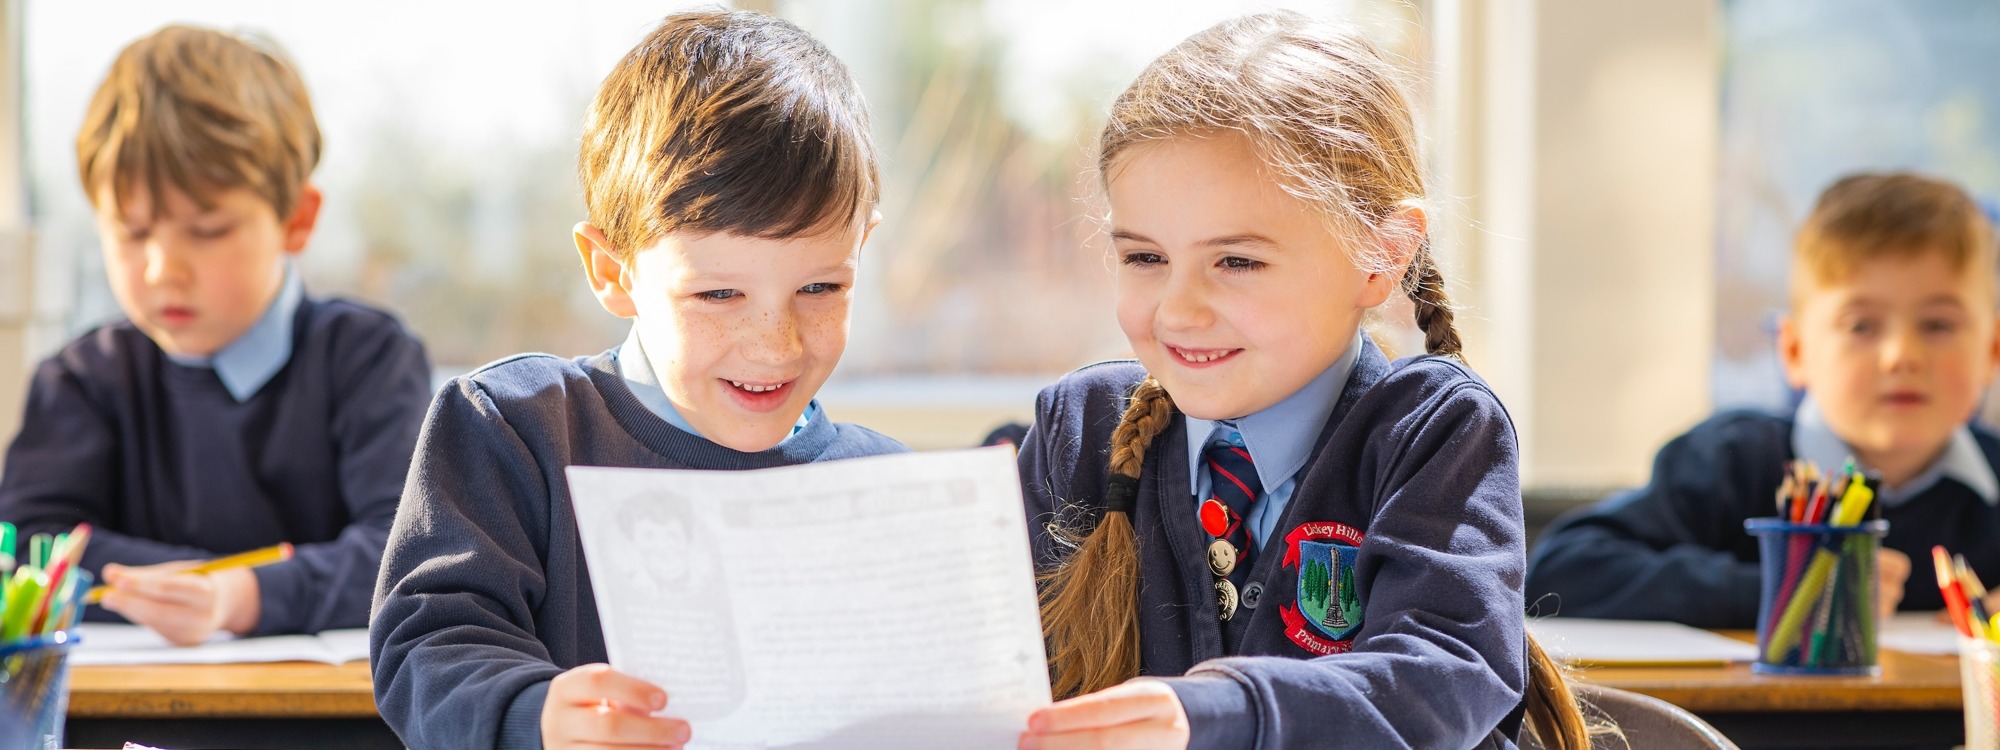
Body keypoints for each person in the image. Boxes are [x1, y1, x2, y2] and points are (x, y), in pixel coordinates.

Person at [1015, 12, 1588, 749]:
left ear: (1380, 257)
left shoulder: (1434, 431)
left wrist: (1218, 714)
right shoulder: (1079, 428)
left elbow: (1444, 678)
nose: (1179, 311)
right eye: (1145, 258)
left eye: (1237, 262)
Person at [368, 11, 904, 750]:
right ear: (612, 271)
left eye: (821, 289)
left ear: (861, 250)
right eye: (718, 295)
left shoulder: (888, 485)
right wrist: (536, 714)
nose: (775, 343)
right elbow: (428, 648)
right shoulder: (515, 427)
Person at [0, 24, 431, 645]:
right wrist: (202, 587)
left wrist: (239, 596)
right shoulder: (82, 379)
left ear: (296, 219)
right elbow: (34, 548)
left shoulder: (369, 361)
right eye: (132, 231)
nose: (162, 270)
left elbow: (409, 551)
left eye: (207, 231)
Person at [1528, 172, 2000, 627]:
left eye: (1938, 325)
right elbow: (1562, 570)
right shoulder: (1733, 461)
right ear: (1795, 351)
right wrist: (1788, 590)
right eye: (1861, 326)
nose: (1901, 356)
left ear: (1991, 351)